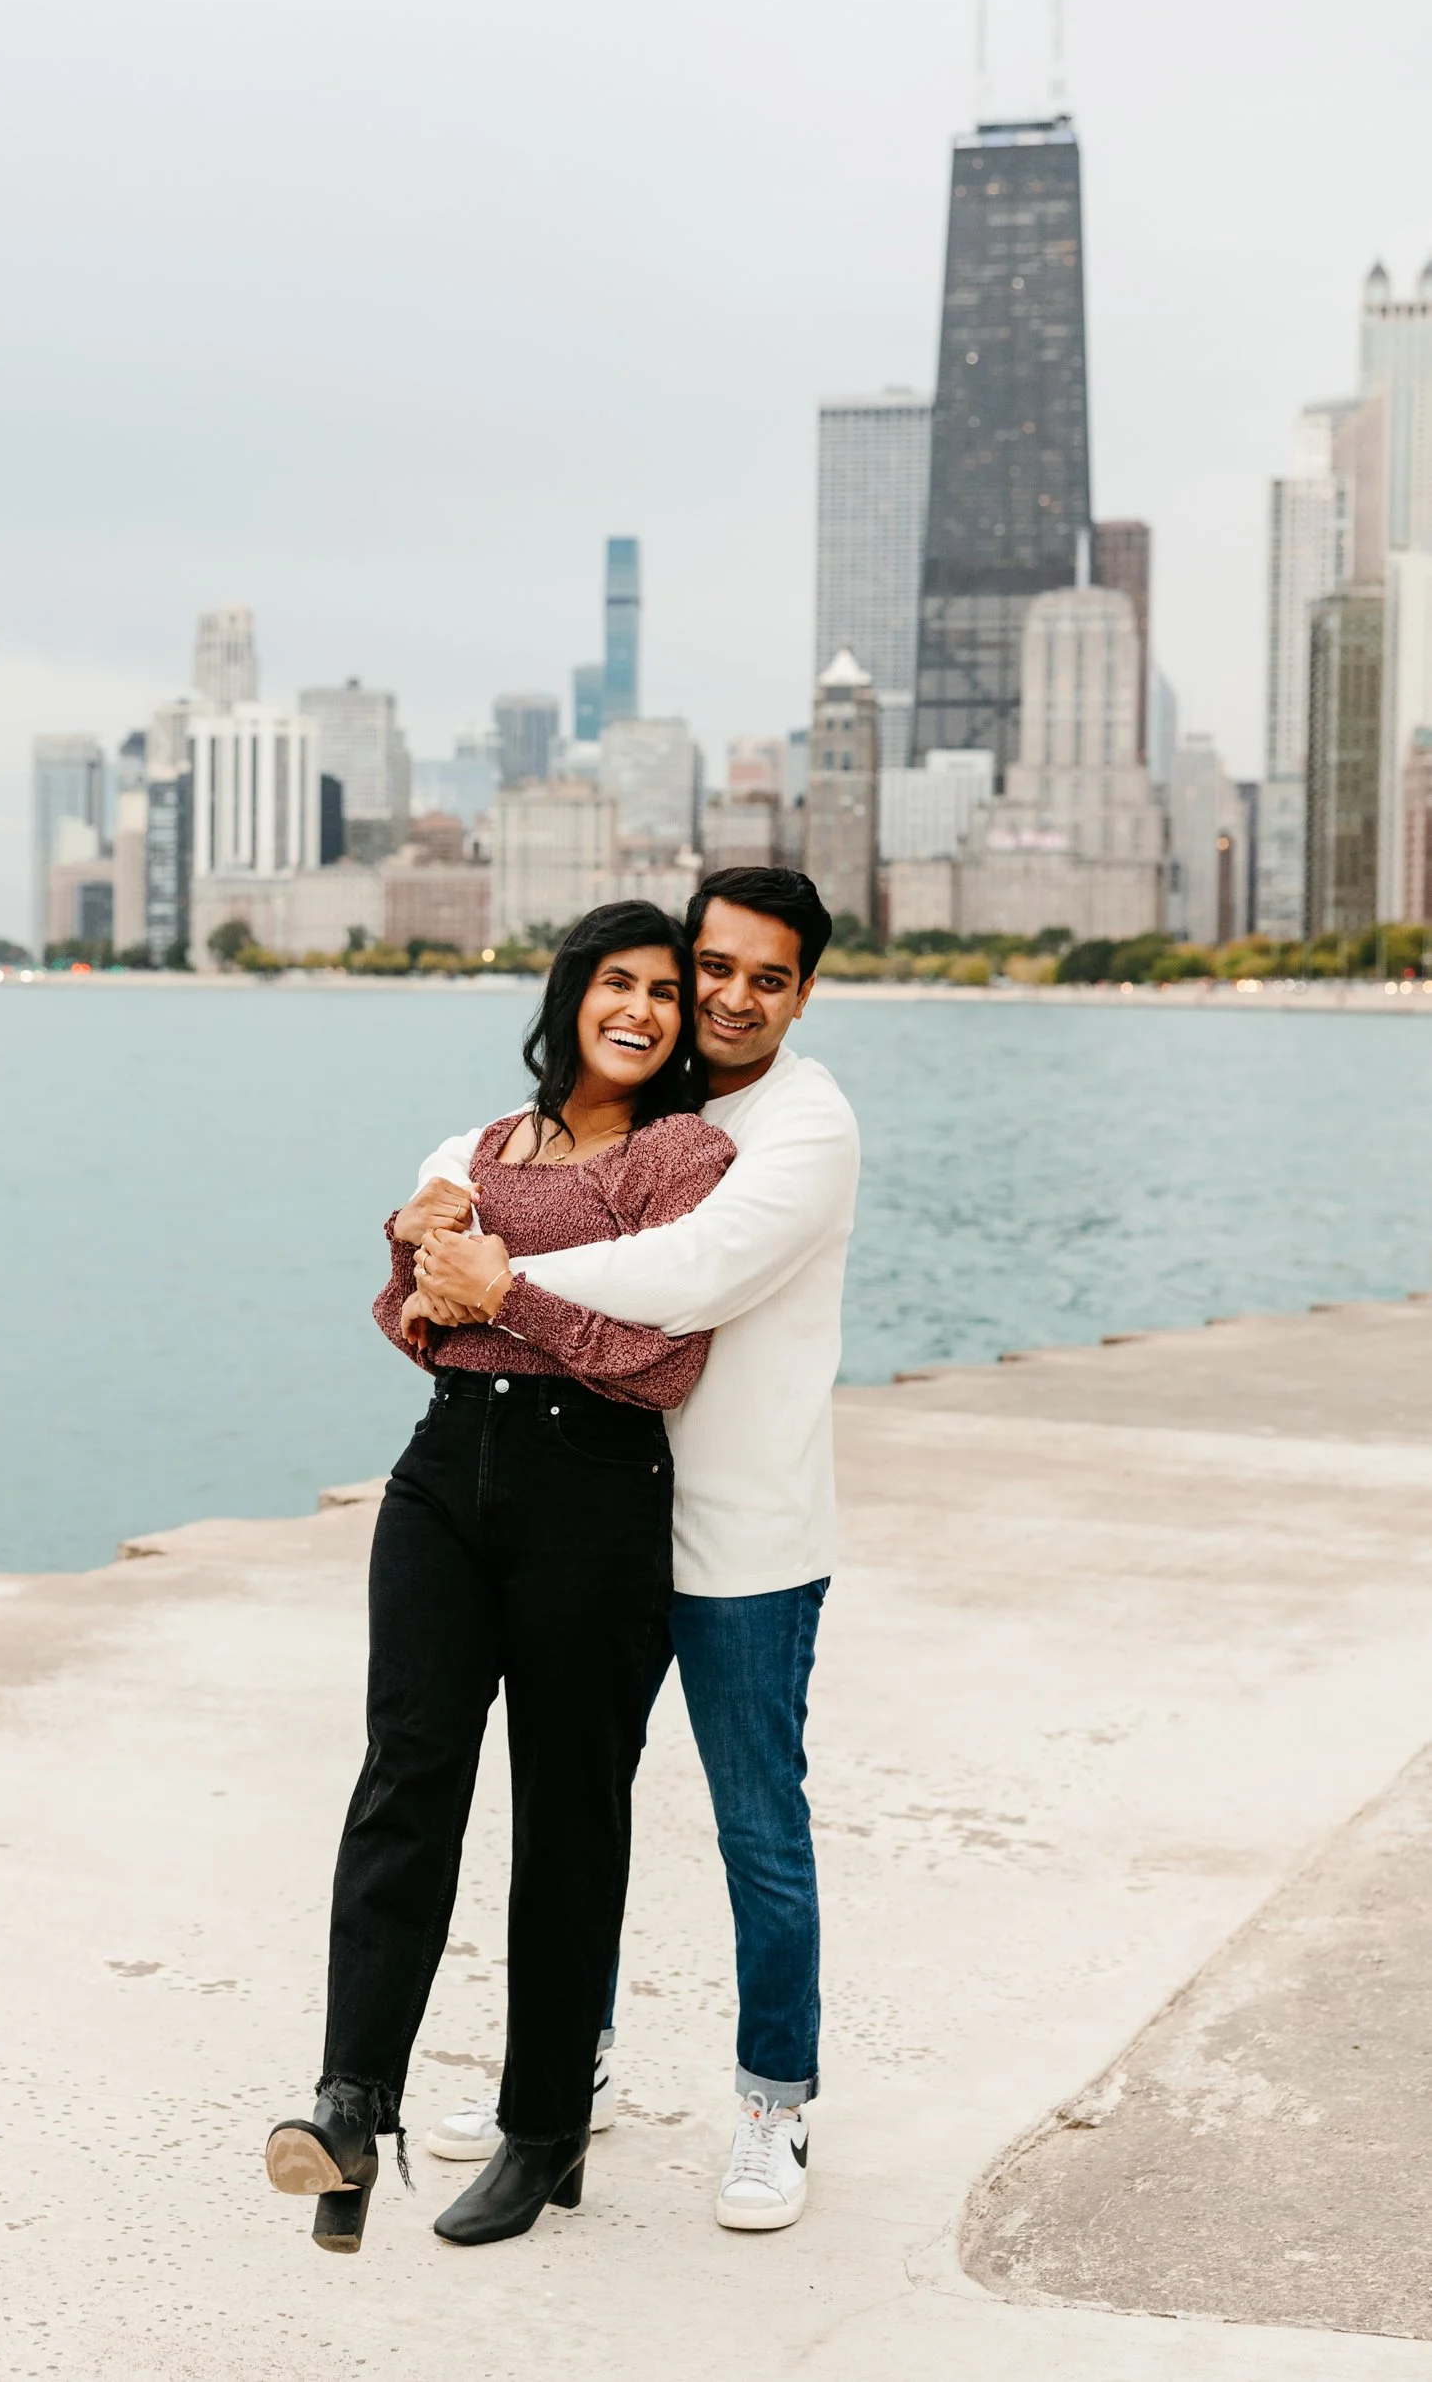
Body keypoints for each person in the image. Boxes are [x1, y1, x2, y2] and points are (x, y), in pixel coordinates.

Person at [264, 902, 735, 2252]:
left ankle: (541, 2131)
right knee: (405, 1776)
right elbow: (410, 1323)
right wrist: (418, 1262)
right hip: (442, 1472)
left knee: (567, 1811)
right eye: (614, 983)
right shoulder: (478, 1147)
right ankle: (351, 2105)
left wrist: (501, 1284)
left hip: (591, 1488)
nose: (639, 1009)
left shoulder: (678, 1156)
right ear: (569, 992)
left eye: (663, 992)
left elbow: (660, 1357)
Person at [412, 867, 857, 2233]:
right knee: (568, 1815)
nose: (726, 997)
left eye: (763, 978)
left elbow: (692, 1281)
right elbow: (488, 1155)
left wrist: (494, 1284)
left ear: (801, 991)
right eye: (708, 966)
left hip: (739, 1539)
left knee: (755, 1831)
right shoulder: (647, 1095)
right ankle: (566, 2066)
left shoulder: (804, 1123)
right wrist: (434, 1213)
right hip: (593, 1519)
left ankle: (772, 2106)